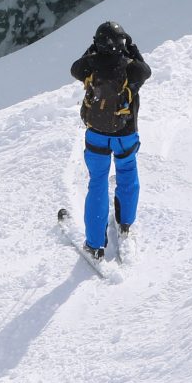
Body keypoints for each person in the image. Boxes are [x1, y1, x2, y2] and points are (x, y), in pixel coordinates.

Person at [68, 20, 151, 261]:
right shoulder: (131, 68)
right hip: (125, 134)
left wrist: (93, 50)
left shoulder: (89, 65)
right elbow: (146, 70)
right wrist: (132, 48)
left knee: (97, 183)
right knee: (127, 175)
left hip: (96, 135)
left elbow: (75, 68)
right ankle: (125, 223)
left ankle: (95, 243)